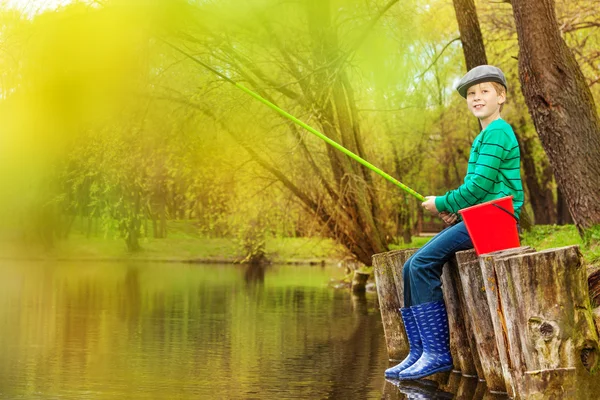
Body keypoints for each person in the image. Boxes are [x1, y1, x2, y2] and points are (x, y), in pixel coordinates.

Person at [385, 65, 524, 380]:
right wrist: (457, 212)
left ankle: (436, 354)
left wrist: (442, 204)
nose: (477, 98)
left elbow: (478, 188)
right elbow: (482, 189)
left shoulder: (498, 132)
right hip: (484, 216)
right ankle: (418, 351)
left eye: (484, 91)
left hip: (497, 220)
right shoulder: (487, 134)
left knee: (421, 265)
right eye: (471, 94)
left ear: (501, 97)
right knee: (411, 266)